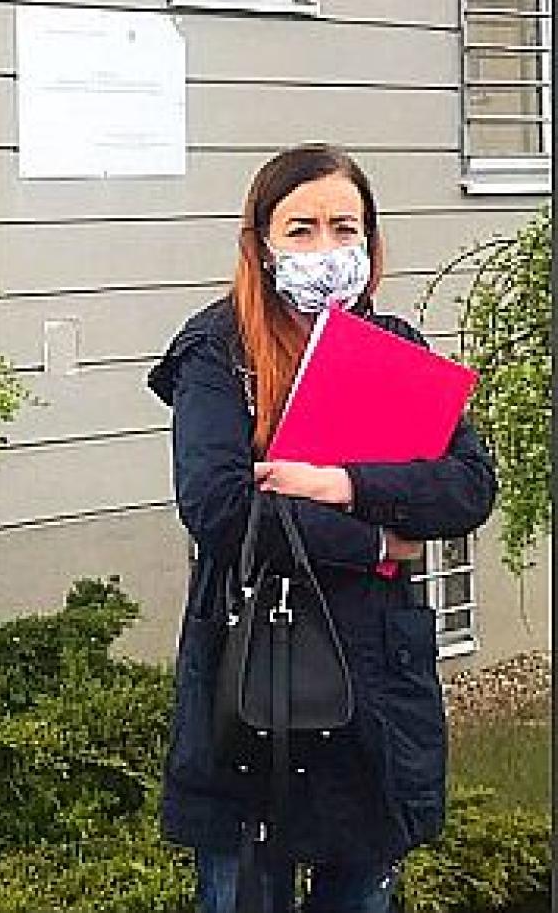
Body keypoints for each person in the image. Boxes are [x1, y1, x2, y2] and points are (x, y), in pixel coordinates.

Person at [147, 143, 497, 913]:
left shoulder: (394, 348)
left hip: (377, 684)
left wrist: (341, 483)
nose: (326, 247)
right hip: (255, 673)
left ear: (370, 239)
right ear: (261, 242)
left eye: (345, 227)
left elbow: (468, 486)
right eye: (300, 229)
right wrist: (373, 540)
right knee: (245, 887)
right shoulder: (217, 352)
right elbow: (219, 508)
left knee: (363, 888)